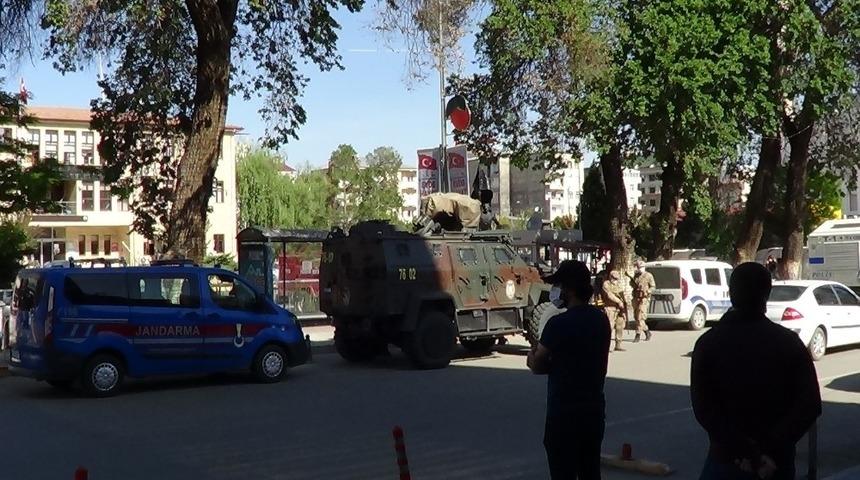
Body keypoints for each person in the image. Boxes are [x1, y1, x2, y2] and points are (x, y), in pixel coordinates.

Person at [691, 262, 821, 480]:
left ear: (731, 293)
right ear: (767, 295)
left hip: (726, 460)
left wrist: (744, 450)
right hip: (774, 463)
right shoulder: (788, 343)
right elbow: (809, 405)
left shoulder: (709, 343)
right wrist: (768, 449)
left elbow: (704, 409)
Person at [528, 260, 611, 480]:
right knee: (590, 470)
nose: (559, 291)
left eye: (561, 286)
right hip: (593, 411)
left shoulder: (558, 324)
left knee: (563, 472)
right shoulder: (601, 320)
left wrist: (532, 355)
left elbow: (537, 364)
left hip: (563, 415)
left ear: (570, 289)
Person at [600, 269, 626, 352]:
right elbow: (609, 295)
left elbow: (622, 294)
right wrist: (618, 301)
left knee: (620, 326)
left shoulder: (618, 284)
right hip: (610, 307)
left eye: (617, 278)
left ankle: (618, 345)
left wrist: (624, 305)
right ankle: (606, 346)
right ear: (610, 277)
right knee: (609, 327)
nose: (615, 280)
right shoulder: (606, 284)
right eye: (614, 278)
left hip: (619, 308)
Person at [631, 260, 655, 343]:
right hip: (636, 298)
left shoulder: (648, 276)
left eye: (641, 267)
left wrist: (647, 291)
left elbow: (653, 287)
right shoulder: (636, 275)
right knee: (636, 317)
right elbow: (633, 285)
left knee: (640, 317)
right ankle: (647, 332)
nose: (639, 269)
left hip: (644, 299)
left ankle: (637, 334)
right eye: (638, 267)